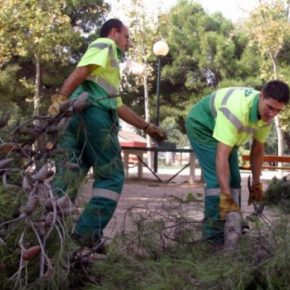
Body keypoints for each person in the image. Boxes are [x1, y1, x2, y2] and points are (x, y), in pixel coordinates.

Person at [48, 19, 166, 247]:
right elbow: (81, 71)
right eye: (127, 36)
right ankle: (86, 235)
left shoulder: (107, 76)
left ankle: (48, 231)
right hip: (93, 115)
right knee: (111, 176)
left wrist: (147, 127)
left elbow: (119, 107)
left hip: (73, 117)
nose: (128, 43)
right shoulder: (105, 44)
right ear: (114, 32)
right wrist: (60, 97)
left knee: (70, 174)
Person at [185, 80, 289, 246]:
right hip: (202, 126)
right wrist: (225, 196)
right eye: (269, 107)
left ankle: (233, 227)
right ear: (261, 95)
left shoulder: (267, 117)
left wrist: (256, 185)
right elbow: (221, 157)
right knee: (217, 183)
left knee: (234, 179)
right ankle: (214, 237)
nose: (272, 114)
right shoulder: (236, 110)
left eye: (278, 110)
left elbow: (257, 150)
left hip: (225, 132)